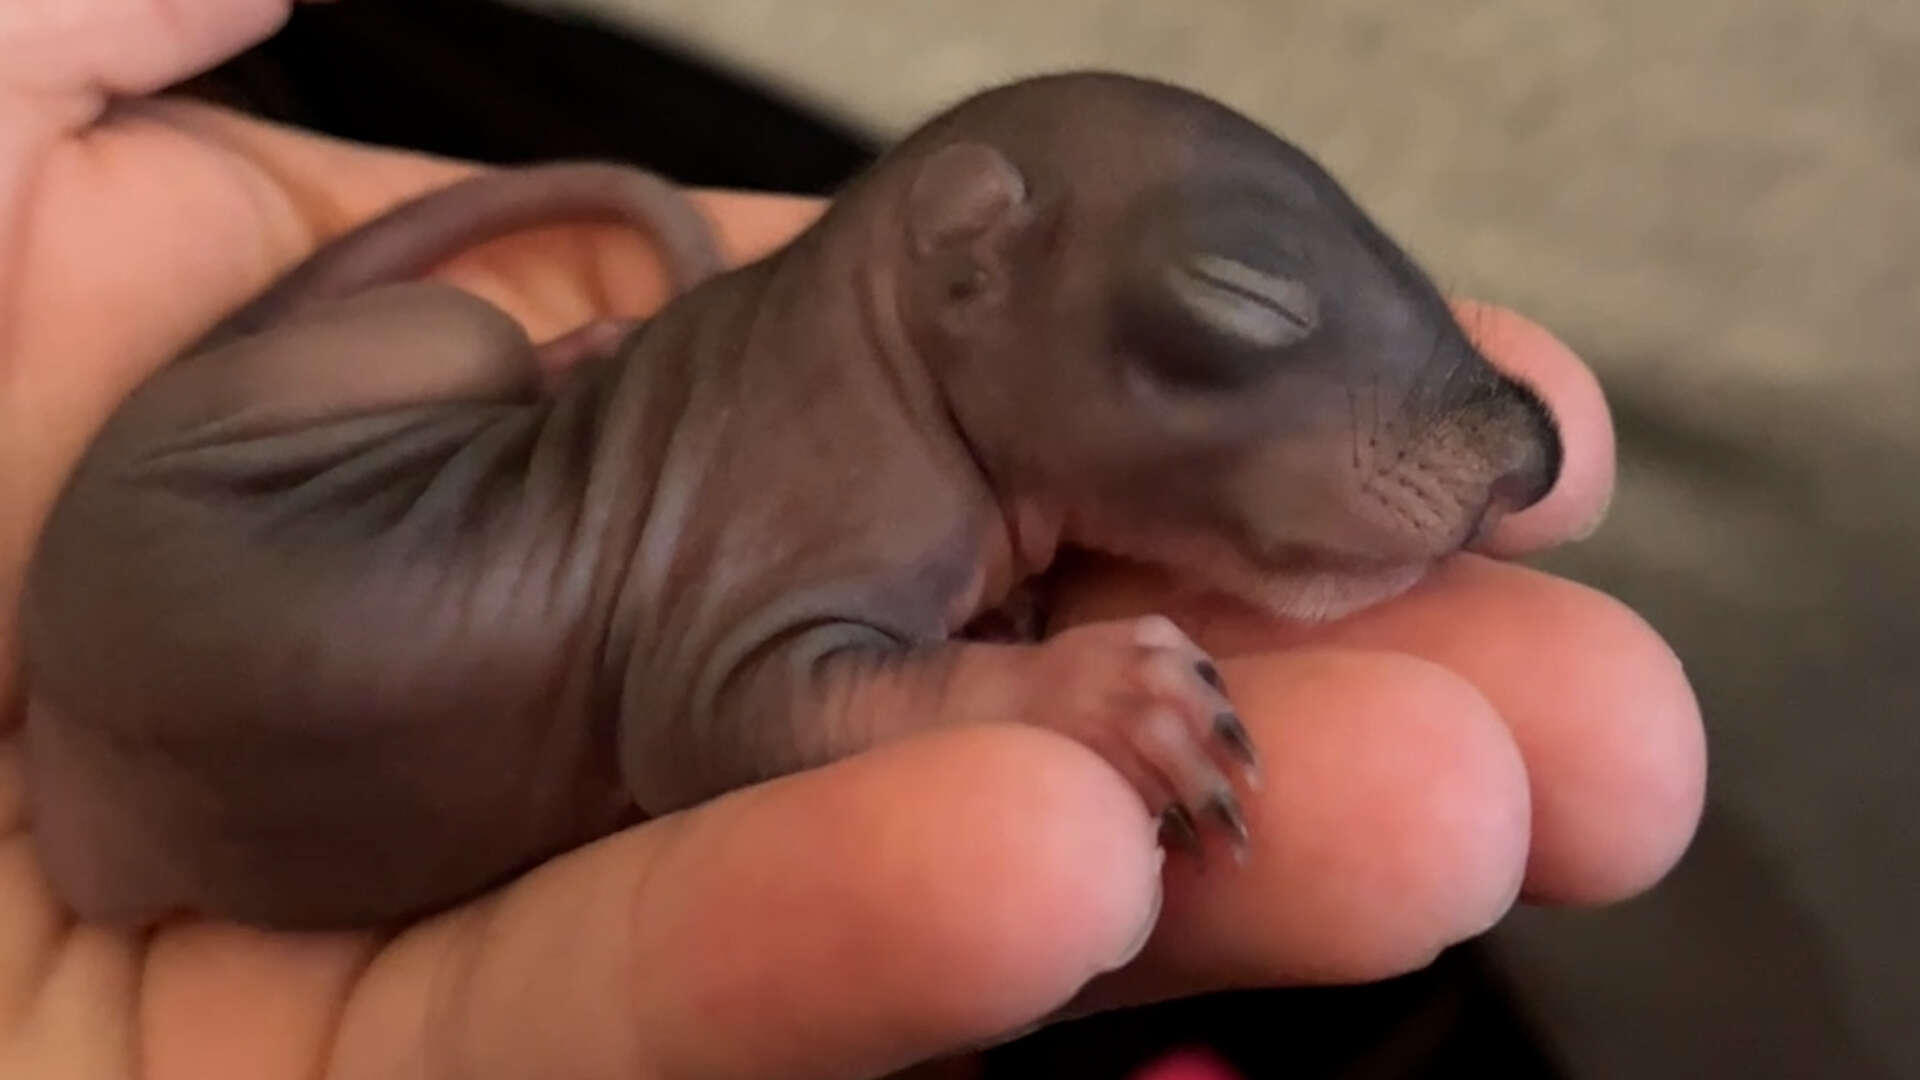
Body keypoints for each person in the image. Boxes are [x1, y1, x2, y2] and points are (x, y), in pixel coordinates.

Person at [0, 2, 1706, 1076]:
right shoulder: (846, 501)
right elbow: (720, 714)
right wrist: (1019, 703)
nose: (1478, 460)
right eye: (1233, 310)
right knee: (451, 352)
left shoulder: (835, 424)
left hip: (165, 695)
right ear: (965, 264)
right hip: (203, 583)